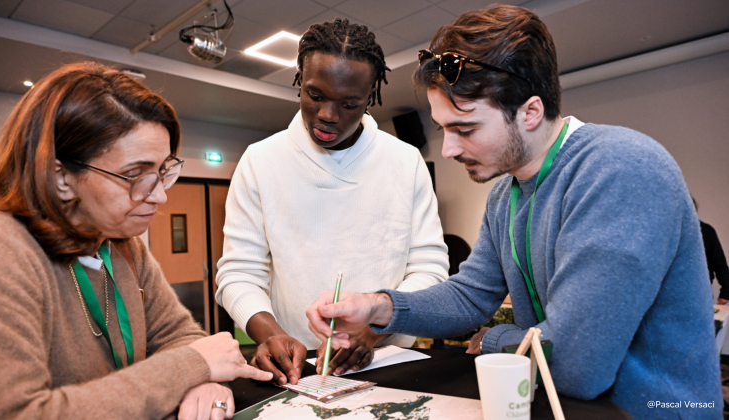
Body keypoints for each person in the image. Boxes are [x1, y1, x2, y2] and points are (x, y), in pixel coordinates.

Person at [306, 6, 722, 419]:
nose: (448, 150)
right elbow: (470, 296)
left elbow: (577, 367)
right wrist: (377, 306)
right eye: (443, 129)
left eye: (465, 129)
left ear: (530, 112)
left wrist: (494, 338)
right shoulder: (505, 193)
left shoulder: (621, 170)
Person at [0, 62, 272, 420]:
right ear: (61, 178)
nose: (159, 197)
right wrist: (191, 369)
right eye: (135, 174)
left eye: (163, 171)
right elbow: (17, 413)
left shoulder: (119, 242)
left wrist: (205, 382)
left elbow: (181, 335)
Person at [215, 18, 448, 385]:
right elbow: (238, 274)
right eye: (315, 95)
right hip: (297, 367)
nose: (327, 115)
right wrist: (271, 333)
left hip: (390, 360)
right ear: (299, 81)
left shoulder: (404, 162)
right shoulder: (261, 161)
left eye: (349, 103)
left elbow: (430, 270)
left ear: (370, 97)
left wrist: (373, 330)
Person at [694, 199, 729, 304]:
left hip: (700, 294)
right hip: (669, 295)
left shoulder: (705, 231)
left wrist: (726, 293)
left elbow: (719, 264)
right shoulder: (666, 234)